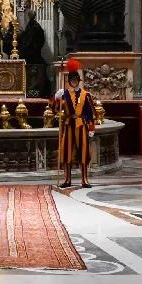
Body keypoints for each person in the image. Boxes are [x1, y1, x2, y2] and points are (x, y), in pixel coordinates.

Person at [53, 58, 96, 188]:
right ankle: (67, 179)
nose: (73, 82)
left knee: (83, 152)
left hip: (81, 125)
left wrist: (92, 127)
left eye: (75, 80)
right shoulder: (64, 94)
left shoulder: (86, 95)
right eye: (71, 80)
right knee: (67, 152)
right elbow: (56, 110)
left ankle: (85, 179)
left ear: (78, 81)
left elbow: (91, 112)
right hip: (68, 124)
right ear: (69, 81)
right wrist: (56, 99)